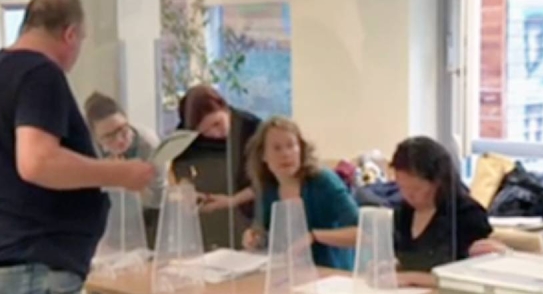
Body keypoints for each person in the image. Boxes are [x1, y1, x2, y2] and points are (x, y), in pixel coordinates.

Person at [0, 0, 155, 294]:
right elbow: (38, 162)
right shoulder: (40, 73)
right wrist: (121, 174)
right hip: (32, 258)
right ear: (70, 34)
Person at [242, 116, 359, 270]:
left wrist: (314, 236)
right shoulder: (267, 187)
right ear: (263, 155)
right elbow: (263, 232)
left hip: (330, 275)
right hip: (287, 272)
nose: (285, 154)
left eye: (291, 146)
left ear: (301, 149)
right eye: (277, 148)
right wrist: (252, 237)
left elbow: (362, 233)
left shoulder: (323, 181)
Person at [390, 136, 493, 288]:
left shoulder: (467, 215)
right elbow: (406, 259)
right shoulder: (404, 212)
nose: (408, 196)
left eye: (416, 189)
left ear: (438, 182)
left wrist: (412, 277)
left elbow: (472, 279)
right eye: (402, 188)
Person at [171, 84, 260, 250]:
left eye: (217, 123)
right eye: (205, 131)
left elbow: (268, 179)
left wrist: (233, 200)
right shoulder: (186, 135)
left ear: (225, 107)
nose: (215, 133)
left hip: (250, 204)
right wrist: (187, 188)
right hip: (211, 204)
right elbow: (179, 164)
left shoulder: (251, 127)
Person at [84, 91, 165, 247]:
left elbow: (157, 199)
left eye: (122, 129)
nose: (120, 139)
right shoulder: (88, 149)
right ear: (95, 138)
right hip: (101, 224)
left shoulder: (147, 143)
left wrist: (135, 181)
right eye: (109, 136)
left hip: (145, 220)